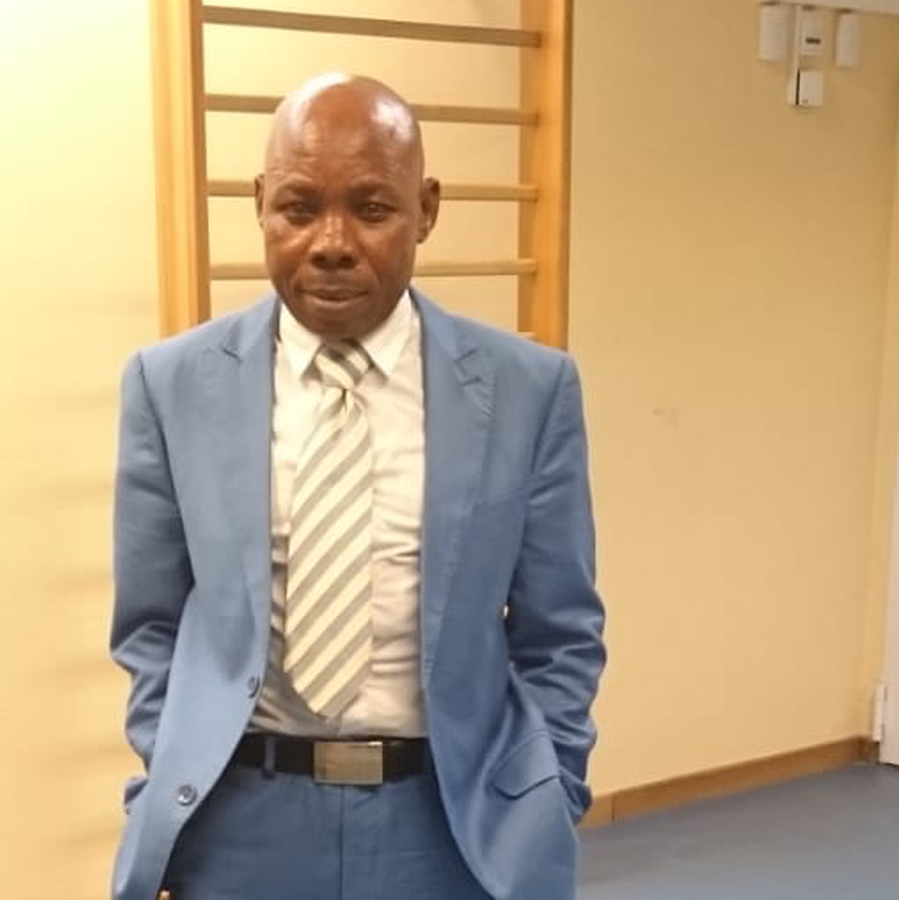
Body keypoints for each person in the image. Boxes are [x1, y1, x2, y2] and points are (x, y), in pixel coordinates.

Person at [110, 72, 605, 900]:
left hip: (451, 825)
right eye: (299, 208)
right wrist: (168, 776)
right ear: (260, 204)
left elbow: (561, 630)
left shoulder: (528, 391)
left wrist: (549, 796)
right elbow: (151, 625)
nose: (332, 242)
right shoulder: (171, 386)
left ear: (426, 210)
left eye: (372, 208)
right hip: (240, 828)